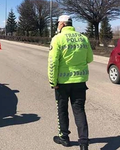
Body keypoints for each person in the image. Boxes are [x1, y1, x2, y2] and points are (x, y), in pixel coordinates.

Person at [48, 15, 93, 150]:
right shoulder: (83, 38)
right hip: (79, 81)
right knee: (79, 111)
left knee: (62, 110)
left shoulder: (57, 39)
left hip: (62, 83)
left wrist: (52, 81)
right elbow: (90, 58)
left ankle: (64, 138)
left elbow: (53, 63)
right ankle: (84, 143)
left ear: (62, 24)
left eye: (58, 24)